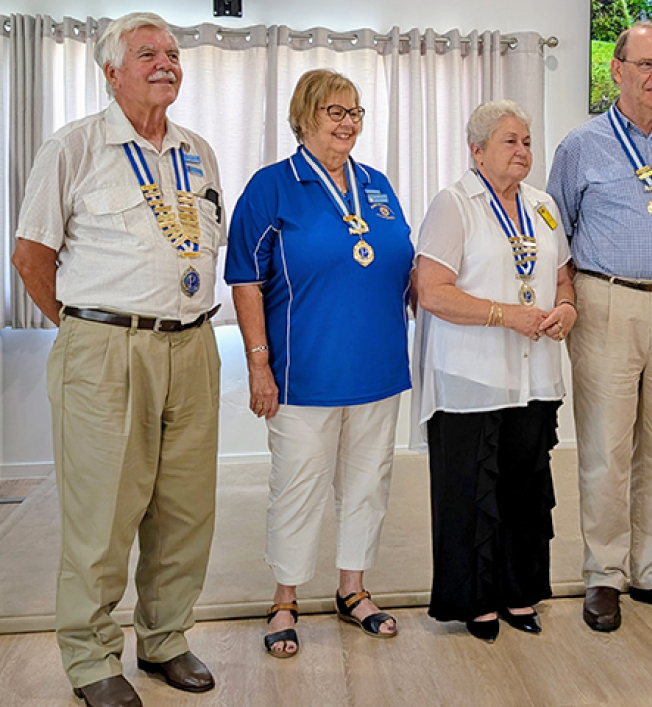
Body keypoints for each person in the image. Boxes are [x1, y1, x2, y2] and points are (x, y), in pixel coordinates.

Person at [12, 12, 224, 707]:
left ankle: (165, 639)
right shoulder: (73, 146)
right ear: (111, 72)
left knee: (185, 510)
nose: (166, 62)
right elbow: (31, 257)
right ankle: (90, 656)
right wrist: (89, 330)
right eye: (146, 54)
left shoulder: (198, 151)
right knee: (101, 514)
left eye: (172, 52)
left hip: (192, 345)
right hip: (105, 347)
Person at [225, 69, 413, 657]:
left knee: (367, 486)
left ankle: (352, 591)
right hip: (304, 374)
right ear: (304, 116)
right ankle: (285, 599)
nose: (348, 123)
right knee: (298, 488)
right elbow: (245, 280)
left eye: (355, 112)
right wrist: (260, 364)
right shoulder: (271, 187)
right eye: (335, 111)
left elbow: (401, 260)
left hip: (378, 367)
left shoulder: (378, 184)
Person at [546, 21, 652, 633]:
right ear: (616, 70)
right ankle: (603, 573)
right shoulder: (580, 146)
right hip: (606, 302)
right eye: (645, 65)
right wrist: (563, 301)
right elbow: (554, 234)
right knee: (606, 448)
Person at [413, 99, 576, 642]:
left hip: (534, 376)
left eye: (527, 141)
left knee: (525, 490)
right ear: (477, 150)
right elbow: (430, 292)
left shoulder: (544, 204)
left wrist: (567, 310)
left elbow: (563, 279)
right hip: (471, 377)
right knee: (470, 492)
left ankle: (519, 592)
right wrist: (505, 316)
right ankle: (475, 601)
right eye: (510, 141)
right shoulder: (454, 204)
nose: (523, 151)